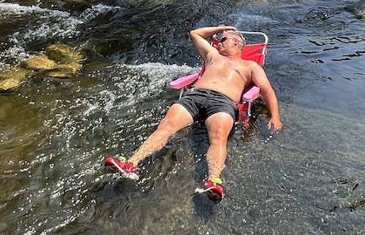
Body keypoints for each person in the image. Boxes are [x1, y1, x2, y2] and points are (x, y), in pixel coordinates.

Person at [103, 24, 282, 201]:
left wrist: (275, 116)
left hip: (223, 102)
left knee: (218, 137)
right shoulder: (213, 55)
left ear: (235, 43)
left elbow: (267, 90)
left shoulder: (250, 66)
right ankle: (130, 164)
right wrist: (221, 29)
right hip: (195, 97)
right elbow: (195, 34)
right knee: (165, 126)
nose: (218, 43)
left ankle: (213, 181)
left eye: (222, 40)